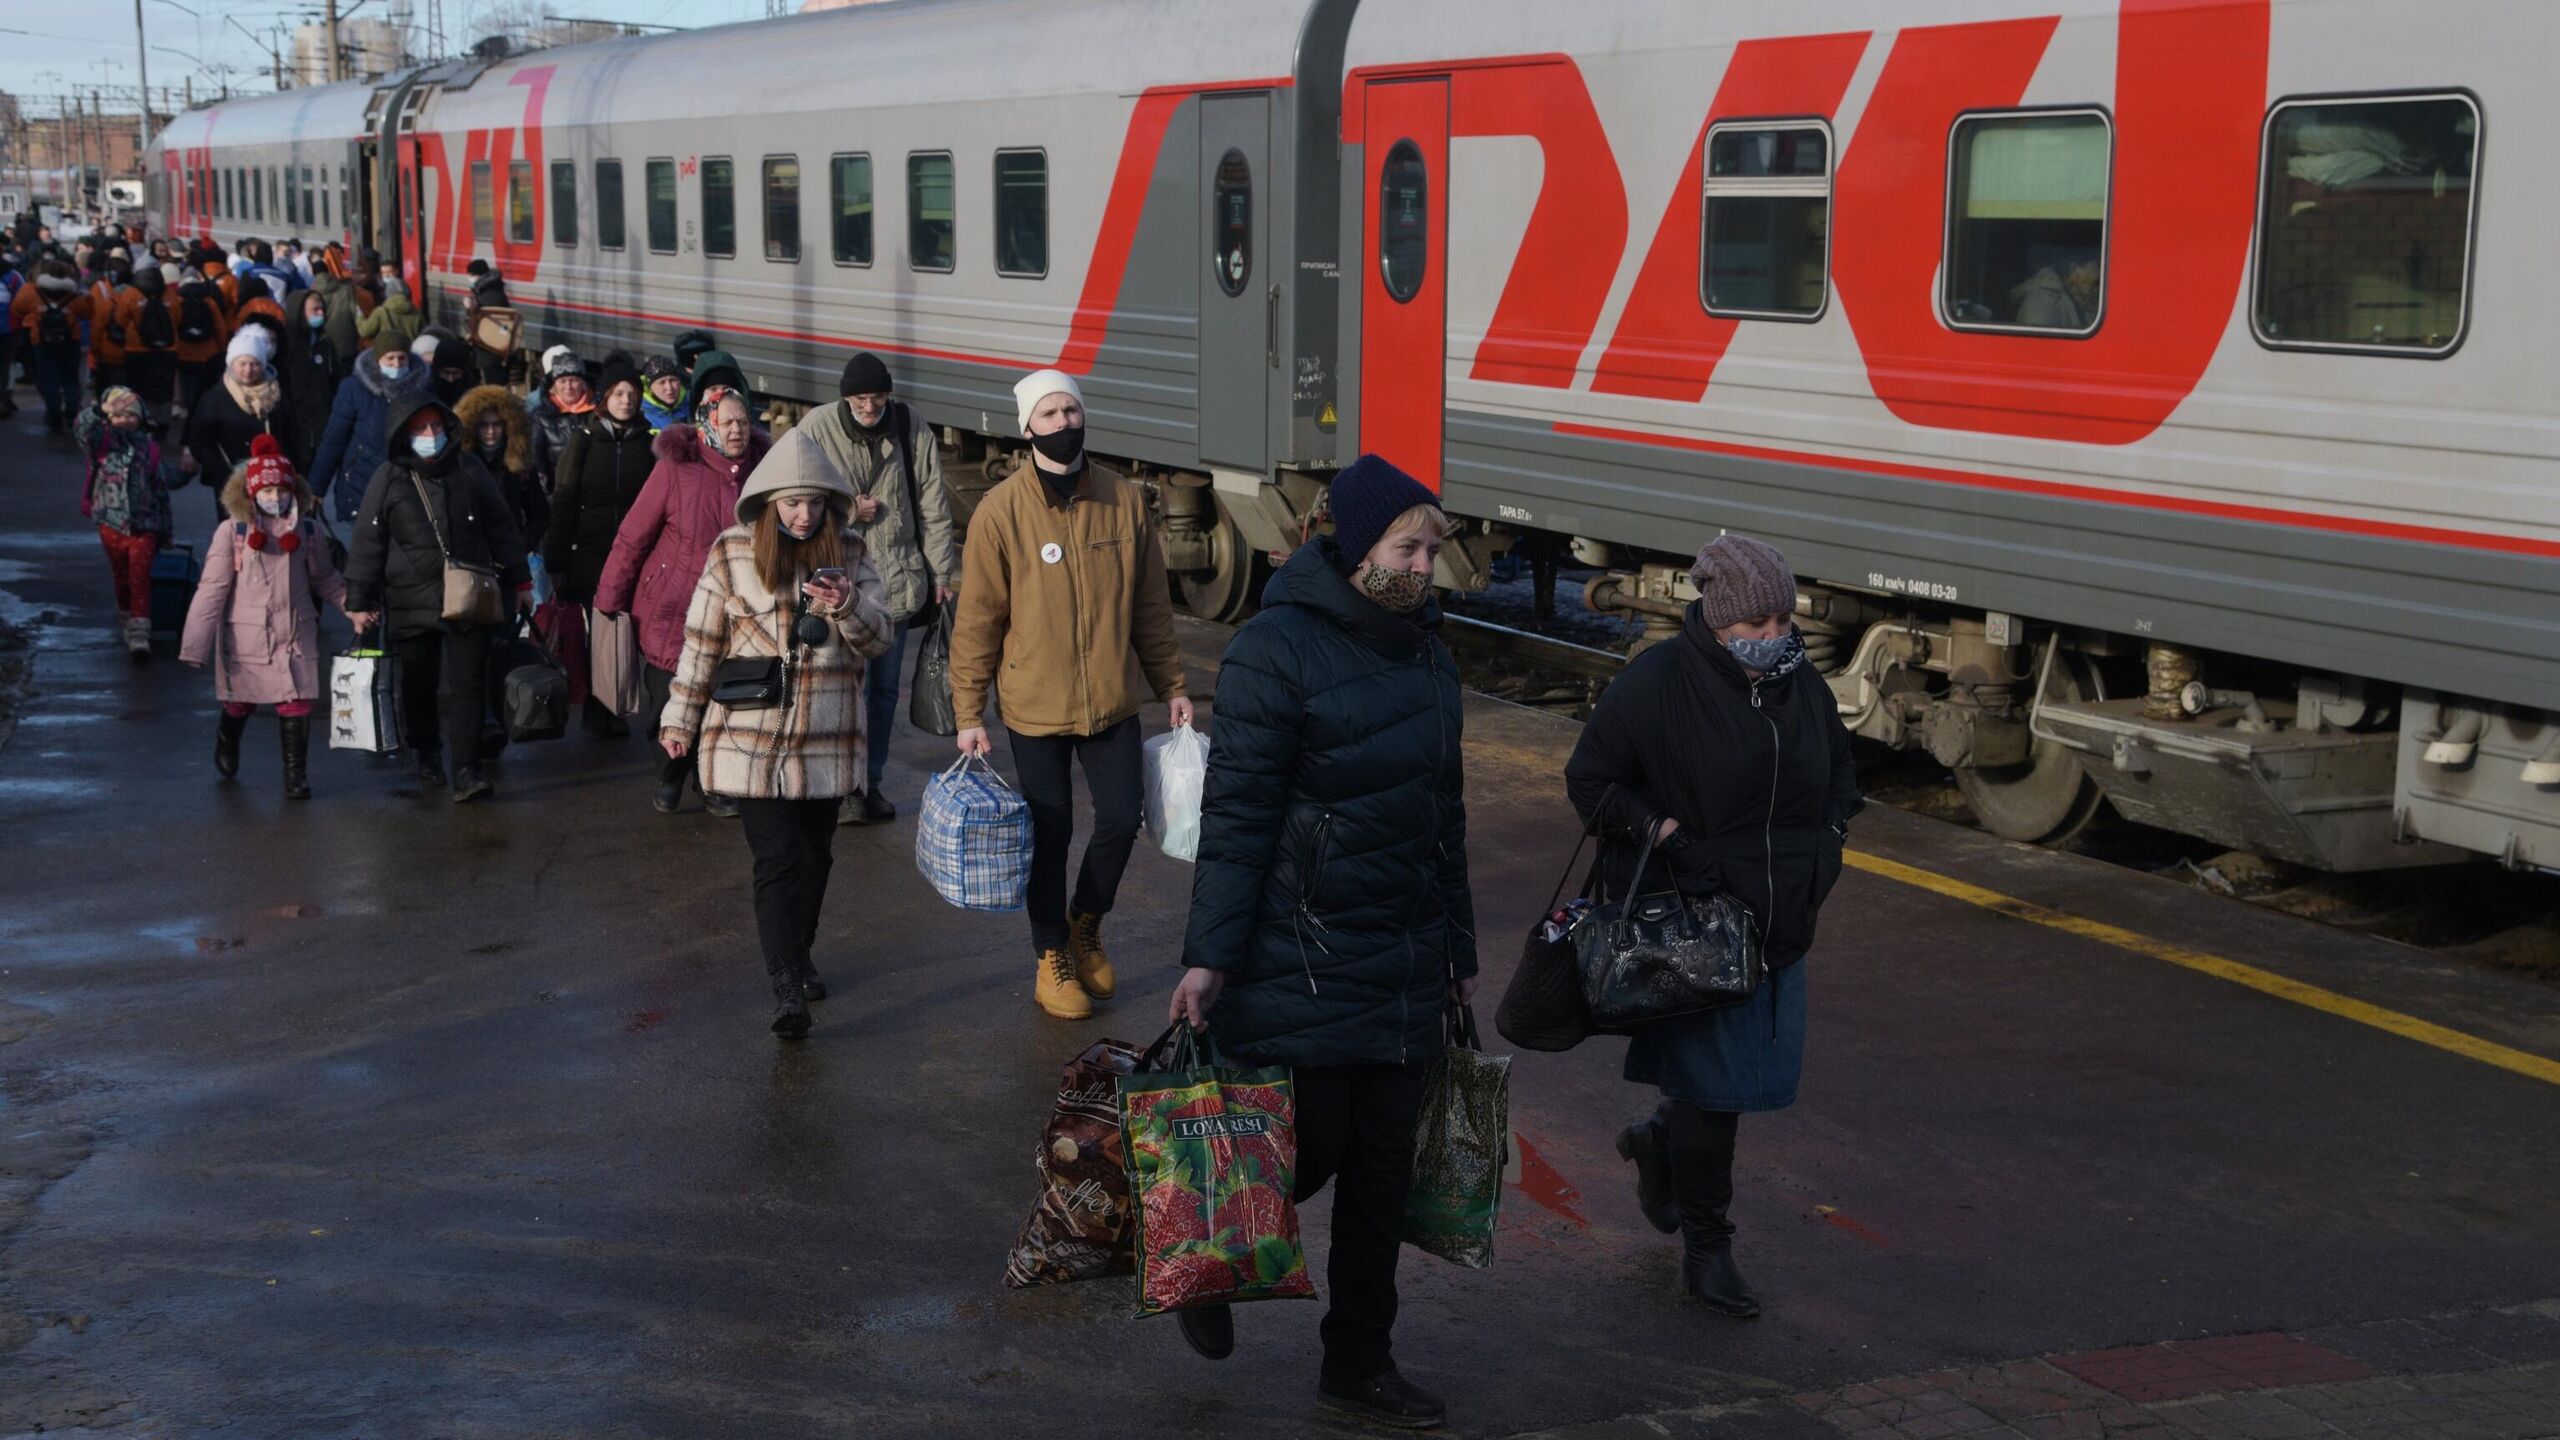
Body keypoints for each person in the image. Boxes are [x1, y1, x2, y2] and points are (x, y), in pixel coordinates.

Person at [1162, 454, 1476, 1426]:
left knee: (1383, 1175)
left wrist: (1456, 954)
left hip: (1402, 958)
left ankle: (1359, 1364)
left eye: (1432, 549)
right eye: (1406, 547)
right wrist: (1209, 956)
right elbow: (1239, 816)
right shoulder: (1274, 649)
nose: (1424, 566)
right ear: (1351, 543)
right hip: (1302, 948)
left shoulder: (1427, 650)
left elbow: (1444, 812)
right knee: (1303, 1154)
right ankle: (1208, 1258)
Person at [1564, 534, 1861, 1321]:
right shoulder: (1659, 681)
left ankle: (1660, 1142)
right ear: (1719, 617)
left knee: (1732, 1089)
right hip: (1696, 921)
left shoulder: (1803, 686)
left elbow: (1840, 773)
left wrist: (1828, 845)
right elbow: (1590, 779)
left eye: (1782, 621)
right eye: (1756, 623)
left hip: (1782, 916)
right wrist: (1667, 837)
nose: (1773, 637)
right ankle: (1707, 1248)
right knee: (1715, 1095)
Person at [950, 369, 1191, 1020]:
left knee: (1120, 817)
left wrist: (1171, 683)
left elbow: (1150, 606)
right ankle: (1050, 956)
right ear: (1027, 427)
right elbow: (978, 619)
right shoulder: (1001, 511)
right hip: (1035, 703)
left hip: (1112, 696)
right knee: (1049, 831)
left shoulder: (1122, 499)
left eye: (1071, 410)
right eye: (1049, 414)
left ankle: (1086, 922)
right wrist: (967, 711)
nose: (1063, 422)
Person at [659, 436, 893, 1036]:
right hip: (749, 737)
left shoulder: (851, 551)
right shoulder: (732, 551)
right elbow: (702, 641)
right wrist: (679, 720)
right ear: (768, 501)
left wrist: (846, 606)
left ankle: (801, 950)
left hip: (826, 735)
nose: (803, 515)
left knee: (816, 856)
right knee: (777, 858)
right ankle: (785, 983)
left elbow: (880, 639)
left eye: (814, 502)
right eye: (791, 503)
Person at [760, 351, 959, 825]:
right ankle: (833, 779)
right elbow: (791, 497)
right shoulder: (814, 427)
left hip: (896, 579)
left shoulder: (912, 427)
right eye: (859, 400)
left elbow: (933, 506)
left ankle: (868, 782)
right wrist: (849, 511)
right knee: (837, 685)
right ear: (844, 398)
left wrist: (942, 574)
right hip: (835, 578)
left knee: (884, 691)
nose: (869, 407)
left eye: (877, 398)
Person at [343, 389, 535, 802]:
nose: (430, 434)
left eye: (435, 425)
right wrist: (359, 602)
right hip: (409, 600)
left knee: (467, 685)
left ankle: (467, 770)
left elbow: (502, 525)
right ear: (403, 435)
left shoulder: (469, 469)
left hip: (467, 595)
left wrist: (520, 582)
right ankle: (427, 752)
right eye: (420, 428)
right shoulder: (388, 478)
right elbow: (367, 542)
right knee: (419, 684)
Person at [598, 388, 771, 816]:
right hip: (673, 608)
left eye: (743, 422)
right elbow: (633, 536)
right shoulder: (677, 468)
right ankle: (669, 772)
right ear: (707, 424)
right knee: (667, 704)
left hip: (735, 612)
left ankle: (710, 783)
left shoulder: (762, 471)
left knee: (722, 702)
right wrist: (609, 596)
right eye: (727, 422)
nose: (736, 430)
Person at [179, 435, 352, 799]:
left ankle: (295, 774)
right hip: (247, 636)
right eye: (267, 491)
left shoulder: (309, 532)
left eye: (281, 490)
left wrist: (354, 609)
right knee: (241, 701)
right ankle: (227, 739)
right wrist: (195, 644)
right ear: (252, 493)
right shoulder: (233, 533)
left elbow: (326, 579)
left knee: (296, 703)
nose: (275, 498)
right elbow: (211, 589)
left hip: (296, 629)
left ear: (293, 491)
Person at [543, 358, 658, 737]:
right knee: (599, 633)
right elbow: (563, 499)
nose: (626, 401)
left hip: (634, 555)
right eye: (619, 394)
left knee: (628, 632)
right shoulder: (585, 441)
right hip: (589, 553)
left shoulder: (649, 444)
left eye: (632, 394)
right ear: (604, 398)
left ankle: (616, 700)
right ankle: (599, 706)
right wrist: (557, 560)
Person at [75, 387, 185, 658]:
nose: (124, 420)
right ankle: (126, 616)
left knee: (140, 576)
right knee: (121, 574)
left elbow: (162, 486)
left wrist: (186, 471)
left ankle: (139, 633)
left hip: (144, 523)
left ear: (142, 417)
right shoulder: (101, 441)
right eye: (118, 415)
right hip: (110, 521)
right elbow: (81, 429)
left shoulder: (149, 448)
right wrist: (101, 411)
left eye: (131, 415)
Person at [311, 334, 429, 525]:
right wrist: (317, 487)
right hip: (361, 484)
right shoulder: (355, 389)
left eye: (401, 358)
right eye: (390, 358)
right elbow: (334, 439)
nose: (396, 364)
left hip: (407, 487)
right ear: (377, 360)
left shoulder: (422, 390)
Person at [181, 328, 296, 487]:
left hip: (270, 477)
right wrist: (220, 467)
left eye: (255, 364)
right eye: (242, 363)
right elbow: (198, 439)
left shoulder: (276, 395)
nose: (248, 370)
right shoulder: (215, 397)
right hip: (229, 479)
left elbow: (290, 435)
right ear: (231, 364)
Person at [454, 383, 549, 546]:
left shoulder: (519, 463)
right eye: (483, 425)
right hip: (472, 551)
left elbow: (539, 512)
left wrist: (523, 544)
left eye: (496, 424)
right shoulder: (459, 463)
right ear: (473, 426)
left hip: (511, 547)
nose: (490, 431)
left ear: (507, 425)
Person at [13, 263, 90, 434]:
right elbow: (87, 311)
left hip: (41, 340)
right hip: (70, 340)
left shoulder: (31, 290)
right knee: (70, 378)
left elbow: (17, 308)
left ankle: (53, 414)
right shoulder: (73, 292)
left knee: (49, 379)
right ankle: (71, 412)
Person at [280, 289, 346, 475]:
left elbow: (337, 377)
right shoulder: (286, 343)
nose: (320, 314)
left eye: (322, 309)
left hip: (320, 419)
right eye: (315, 310)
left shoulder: (324, 342)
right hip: (294, 421)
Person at [171, 267, 235, 415]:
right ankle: (202, 411)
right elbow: (219, 327)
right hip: (208, 352)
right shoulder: (209, 302)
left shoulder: (177, 301)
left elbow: (172, 326)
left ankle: (189, 410)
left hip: (184, 351)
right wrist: (222, 348)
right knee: (205, 384)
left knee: (187, 383)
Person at [526, 347, 593, 486]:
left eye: (573, 380)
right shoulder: (540, 416)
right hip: (556, 489)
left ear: (583, 383)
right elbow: (536, 457)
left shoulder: (597, 412)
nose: (568, 387)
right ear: (554, 385)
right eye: (562, 381)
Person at [2011, 257, 2101, 330]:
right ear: (2075, 268)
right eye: (2097, 282)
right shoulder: (2041, 304)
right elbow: (2037, 348)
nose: (2099, 288)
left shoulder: (2081, 302)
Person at [356, 273, 423, 352]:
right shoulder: (417, 312)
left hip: (388, 353)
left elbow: (364, 331)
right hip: (410, 353)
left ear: (388, 293)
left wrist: (359, 316)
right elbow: (423, 335)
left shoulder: (381, 311)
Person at [413, 327, 471, 407]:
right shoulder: (423, 391)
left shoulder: (472, 393)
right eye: (445, 372)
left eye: (455, 373)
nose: (450, 379)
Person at [638, 354, 688, 432]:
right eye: (662, 382)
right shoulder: (641, 416)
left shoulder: (692, 404)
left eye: (673, 380)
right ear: (650, 388)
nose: (669, 387)